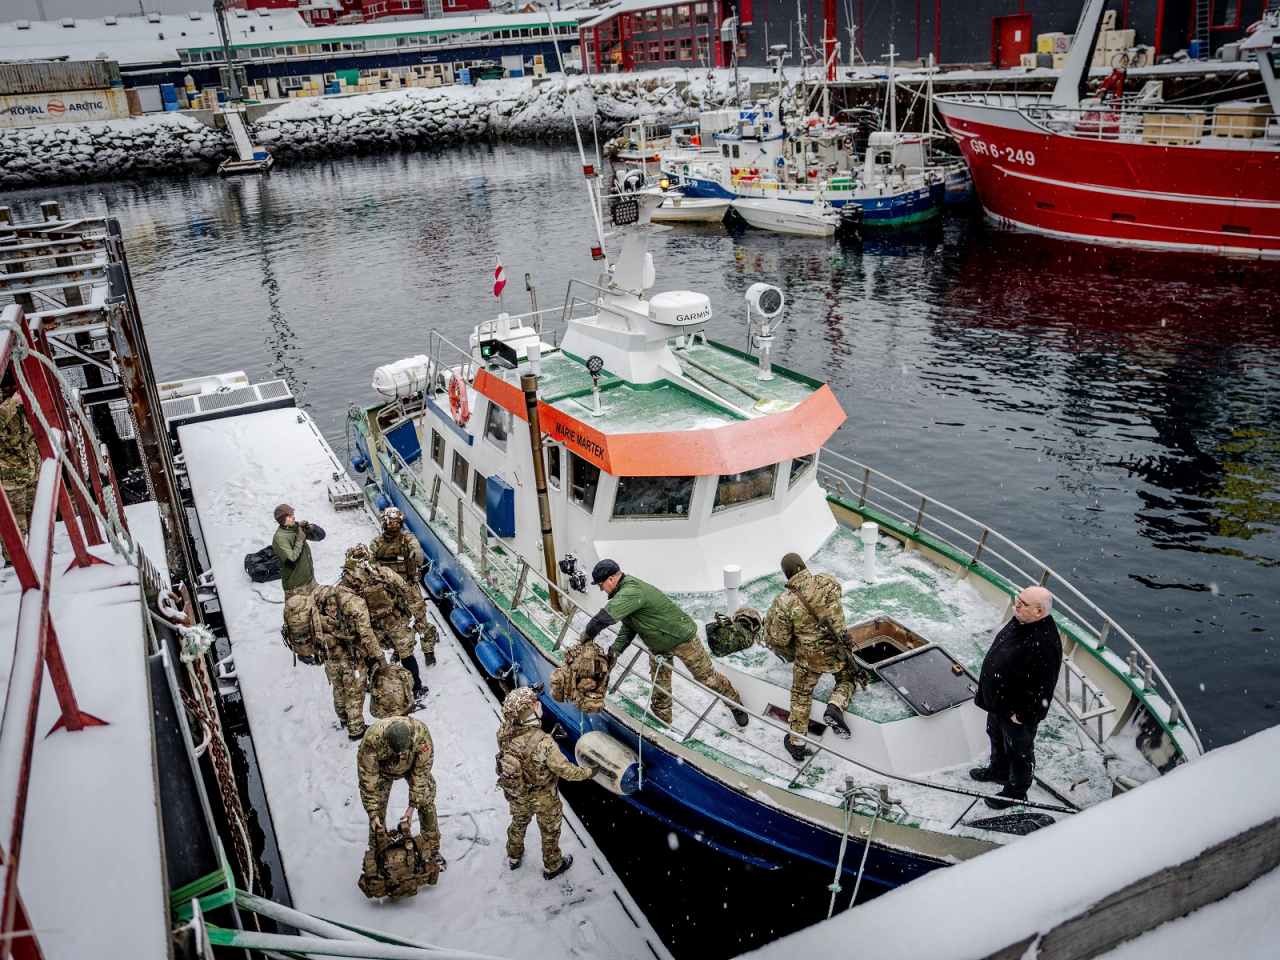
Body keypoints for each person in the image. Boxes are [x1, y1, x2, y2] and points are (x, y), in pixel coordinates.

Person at [583, 559, 748, 728]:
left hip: (683, 640)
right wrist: (615, 651)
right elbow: (629, 626)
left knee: (708, 679)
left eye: (601, 584)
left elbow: (601, 620)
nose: (601, 589)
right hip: (659, 647)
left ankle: (736, 705)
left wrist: (584, 639)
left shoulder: (631, 591)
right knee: (660, 689)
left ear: (611, 579)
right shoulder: (623, 595)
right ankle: (663, 725)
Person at [970, 586, 1063, 809]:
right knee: (995, 736)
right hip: (999, 703)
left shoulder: (1044, 645)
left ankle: (1016, 792)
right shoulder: (1021, 621)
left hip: (1016, 713)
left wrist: (1022, 716)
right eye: (1018, 599)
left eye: (1023, 603)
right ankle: (999, 771)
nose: (1016, 604)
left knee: (1019, 753)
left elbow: (1042, 688)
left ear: (1039, 612)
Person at [762, 553, 859, 762]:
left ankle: (797, 744)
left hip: (809, 658)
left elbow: (780, 637)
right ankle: (835, 706)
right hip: (838, 649)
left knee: (801, 693)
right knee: (847, 678)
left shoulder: (785, 601)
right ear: (803, 566)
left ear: (787, 573)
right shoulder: (826, 580)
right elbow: (837, 594)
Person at [496, 686, 595, 880]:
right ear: (528, 713)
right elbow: (567, 772)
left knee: (518, 823)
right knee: (549, 831)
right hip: (543, 796)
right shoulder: (544, 743)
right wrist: (590, 772)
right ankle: (553, 866)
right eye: (534, 704)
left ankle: (513, 856)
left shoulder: (504, 731)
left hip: (517, 791)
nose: (538, 705)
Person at [341, 545, 428, 702]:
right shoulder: (384, 572)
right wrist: (420, 617)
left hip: (372, 625)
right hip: (394, 620)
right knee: (406, 653)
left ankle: (377, 687)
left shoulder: (351, 581)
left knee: (371, 656)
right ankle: (416, 687)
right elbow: (408, 592)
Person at [358, 716, 445, 870]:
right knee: (377, 815)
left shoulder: (421, 735)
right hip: (382, 772)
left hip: (412, 768)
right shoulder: (371, 741)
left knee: (426, 802)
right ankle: (378, 854)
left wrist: (413, 805)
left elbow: (421, 774)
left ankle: (431, 849)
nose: (399, 755)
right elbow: (368, 781)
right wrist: (372, 812)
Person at [312, 583, 384, 741]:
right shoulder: (354, 603)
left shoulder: (319, 595)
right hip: (349, 657)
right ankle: (356, 729)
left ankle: (343, 718)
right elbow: (367, 634)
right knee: (354, 691)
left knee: (338, 688)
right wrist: (379, 656)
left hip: (328, 654)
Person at [369, 507, 438, 667]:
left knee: (421, 620)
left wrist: (416, 551)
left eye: (396, 523)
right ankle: (399, 650)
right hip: (388, 591)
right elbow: (371, 563)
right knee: (394, 623)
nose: (393, 526)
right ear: (384, 524)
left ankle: (428, 651)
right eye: (390, 523)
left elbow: (414, 543)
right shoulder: (377, 544)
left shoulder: (406, 538)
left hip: (408, 587)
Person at [0, 386, 39, 566]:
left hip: (32, 470)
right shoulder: (11, 400)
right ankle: (15, 564)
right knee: (16, 524)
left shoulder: (24, 389)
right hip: (10, 476)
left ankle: (40, 554)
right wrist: (13, 402)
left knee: (37, 517)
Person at [272, 503, 325, 600]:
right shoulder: (280, 538)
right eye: (289, 516)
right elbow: (291, 560)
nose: (293, 517)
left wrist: (310, 527)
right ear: (281, 519)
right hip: (296, 589)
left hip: (310, 582)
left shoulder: (295, 528)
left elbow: (321, 536)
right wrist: (300, 540)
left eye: (293, 514)